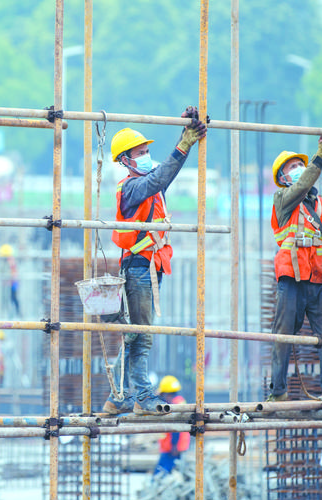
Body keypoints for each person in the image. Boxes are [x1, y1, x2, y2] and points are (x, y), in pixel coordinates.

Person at [101, 107, 206, 416]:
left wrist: (185, 134)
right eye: (141, 152)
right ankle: (141, 397)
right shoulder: (133, 188)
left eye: (148, 151)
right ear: (125, 160)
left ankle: (119, 397)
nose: (148, 156)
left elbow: (166, 173)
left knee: (137, 334)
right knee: (141, 337)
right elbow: (161, 175)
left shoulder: (152, 187)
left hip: (149, 268)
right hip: (138, 268)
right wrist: (185, 142)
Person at [266, 130, 322, 411]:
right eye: (292, 167)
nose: (298, 170)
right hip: (292, 274)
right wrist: (321, 154)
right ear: (282, 178)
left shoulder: (321, 202)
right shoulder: (283, 199)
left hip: (321, 276)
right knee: (283, 334)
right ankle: (278, 391)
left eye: (299, 165)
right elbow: (303, 185)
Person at [154, 375, 190, 475]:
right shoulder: (180, 402)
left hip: (172, 447)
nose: (162, 398)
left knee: (160, 474)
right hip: (176, 446)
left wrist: (174, 445)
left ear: (168, 394)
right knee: (173, 472)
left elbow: (175, 427)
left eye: (163, 395)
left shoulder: (174, 405)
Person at [0, 244, 20, 315]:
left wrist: (11, 280)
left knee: (13, 298)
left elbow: (13, 272)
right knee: (10, 298)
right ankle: (13, 313)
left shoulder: (10, 261)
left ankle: (16, 313)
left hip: (12, 283)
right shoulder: (9, 261)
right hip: (10, 283)